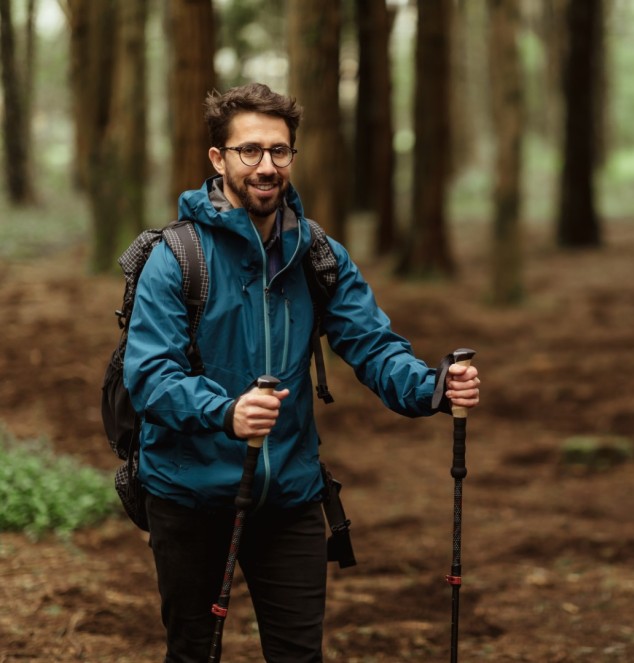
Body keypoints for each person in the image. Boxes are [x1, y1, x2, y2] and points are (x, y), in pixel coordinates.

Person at [123, 82, 480, 663]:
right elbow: (151, 377)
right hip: (189, 495)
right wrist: (227, 412)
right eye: (250, 151)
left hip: (289, 494)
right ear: (219, 159)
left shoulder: (317, 255)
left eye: (280, 151)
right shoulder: (176, 257)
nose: (267, 166)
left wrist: (433, 387)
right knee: (192, 652)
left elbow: (371, 343)